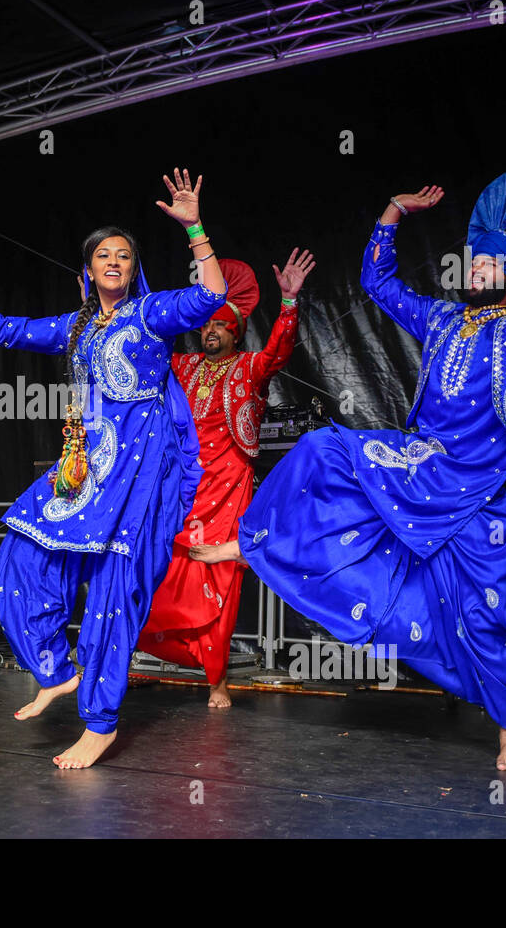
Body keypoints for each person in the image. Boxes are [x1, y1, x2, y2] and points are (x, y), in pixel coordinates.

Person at [193, 174, 506, 771]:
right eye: (473, 261)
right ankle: (255, 544)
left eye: (488, 264)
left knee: (484, 614)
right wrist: (392, 211)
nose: (476, 269)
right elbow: (377, 281)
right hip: (420, 467)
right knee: (323, 449)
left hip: (479, 494)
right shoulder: (441, 320)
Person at [0, 169, 228, 768]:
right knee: (18, 552)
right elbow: (1, 329)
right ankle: (54, 669)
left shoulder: (152, 315)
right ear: (88, 270)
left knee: (115, 591)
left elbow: (211, 296)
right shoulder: (75, 327)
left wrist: (194, 226)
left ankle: (100, 722)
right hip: (86, 469)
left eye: (123, 254)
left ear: (132, 267)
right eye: (103, 255)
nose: (113, 261)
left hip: (141, 473)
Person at [136, 253, 310, 707]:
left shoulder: (251, 366)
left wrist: (288, 301)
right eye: (206, 326)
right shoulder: (185, 366)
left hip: (229, 483)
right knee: (172, 570)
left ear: (235, 330)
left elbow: (280, 351)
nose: (210, 332)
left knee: (218, 575)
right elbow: (147, 344)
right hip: (184, 486)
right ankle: (159, 647)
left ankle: (217, 681)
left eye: (220, 326)